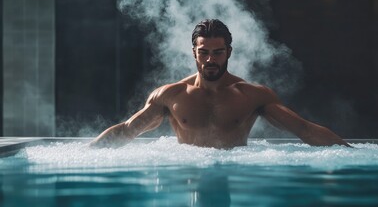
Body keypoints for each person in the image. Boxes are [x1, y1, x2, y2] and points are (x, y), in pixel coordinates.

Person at [90, 19, 350, 149]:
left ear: (229, 52)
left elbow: (304, 129)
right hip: (188, 172)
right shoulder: (171, 95)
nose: (210, 59)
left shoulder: (252, 95)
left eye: (217, 52)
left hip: (234, 172)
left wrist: (354, 153)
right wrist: (84, 154)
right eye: (203, 52)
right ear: (194, 52)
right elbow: (127, 130)